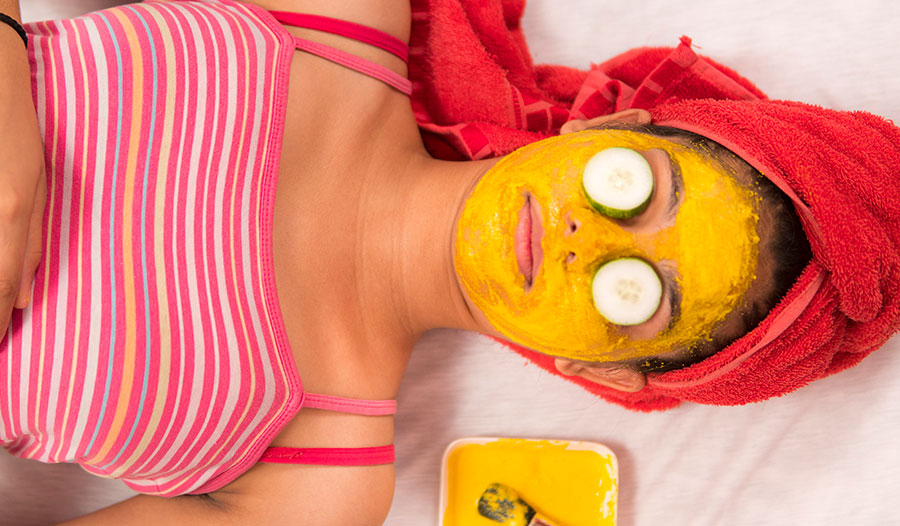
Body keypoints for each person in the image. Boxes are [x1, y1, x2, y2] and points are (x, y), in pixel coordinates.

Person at [0, 0, 897, 523]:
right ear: (607, 128)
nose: (597, 241)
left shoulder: (322, 482)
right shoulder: (343, 17)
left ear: (612, 376)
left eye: (639, 293)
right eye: (635, 187)